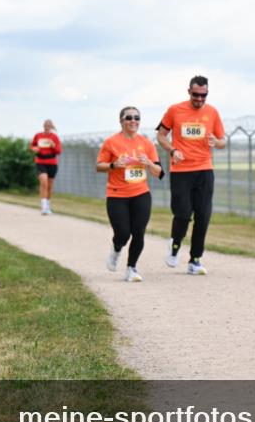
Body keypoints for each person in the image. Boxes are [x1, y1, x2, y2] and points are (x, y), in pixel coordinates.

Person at [155, 74, 226, 275]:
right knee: (183, 213)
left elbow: (223, 141)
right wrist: (171, 150)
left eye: (204, 95)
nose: (200, 99)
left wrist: (216, 142)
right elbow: (161, 135)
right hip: (181, 170)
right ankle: (175, 245)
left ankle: (195, 260)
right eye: (196, 95)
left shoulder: (212, 113)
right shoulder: (174, 110)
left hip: (204, 169)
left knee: (203, 215)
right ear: (189, 92)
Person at [96, 106, 164, 282]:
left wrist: (149, 163)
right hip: (117, 194)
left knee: (139, 232)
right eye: (129, 117)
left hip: (140, 192)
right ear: (121, 121)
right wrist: (113, 165)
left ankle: (131, 268)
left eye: (137, 118)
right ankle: (117, 248)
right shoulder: (111, 142)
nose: (133, 121)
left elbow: (160, 173)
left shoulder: (147, 143)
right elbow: (99, 166)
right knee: (123, 233)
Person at [30, 119, 62, 215]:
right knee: (44, 182)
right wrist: (34, 149)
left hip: (52, 162)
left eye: (48, 126)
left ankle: (48, 205)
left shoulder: (54, 137)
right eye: (45, 126)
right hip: (40, 161)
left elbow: (59, 151)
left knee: (49, 186)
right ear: (43, 126)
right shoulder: (38, 136)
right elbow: (32, 146)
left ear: (51, 127)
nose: (47, 127)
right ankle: (43, 207)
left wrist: (53, 145)